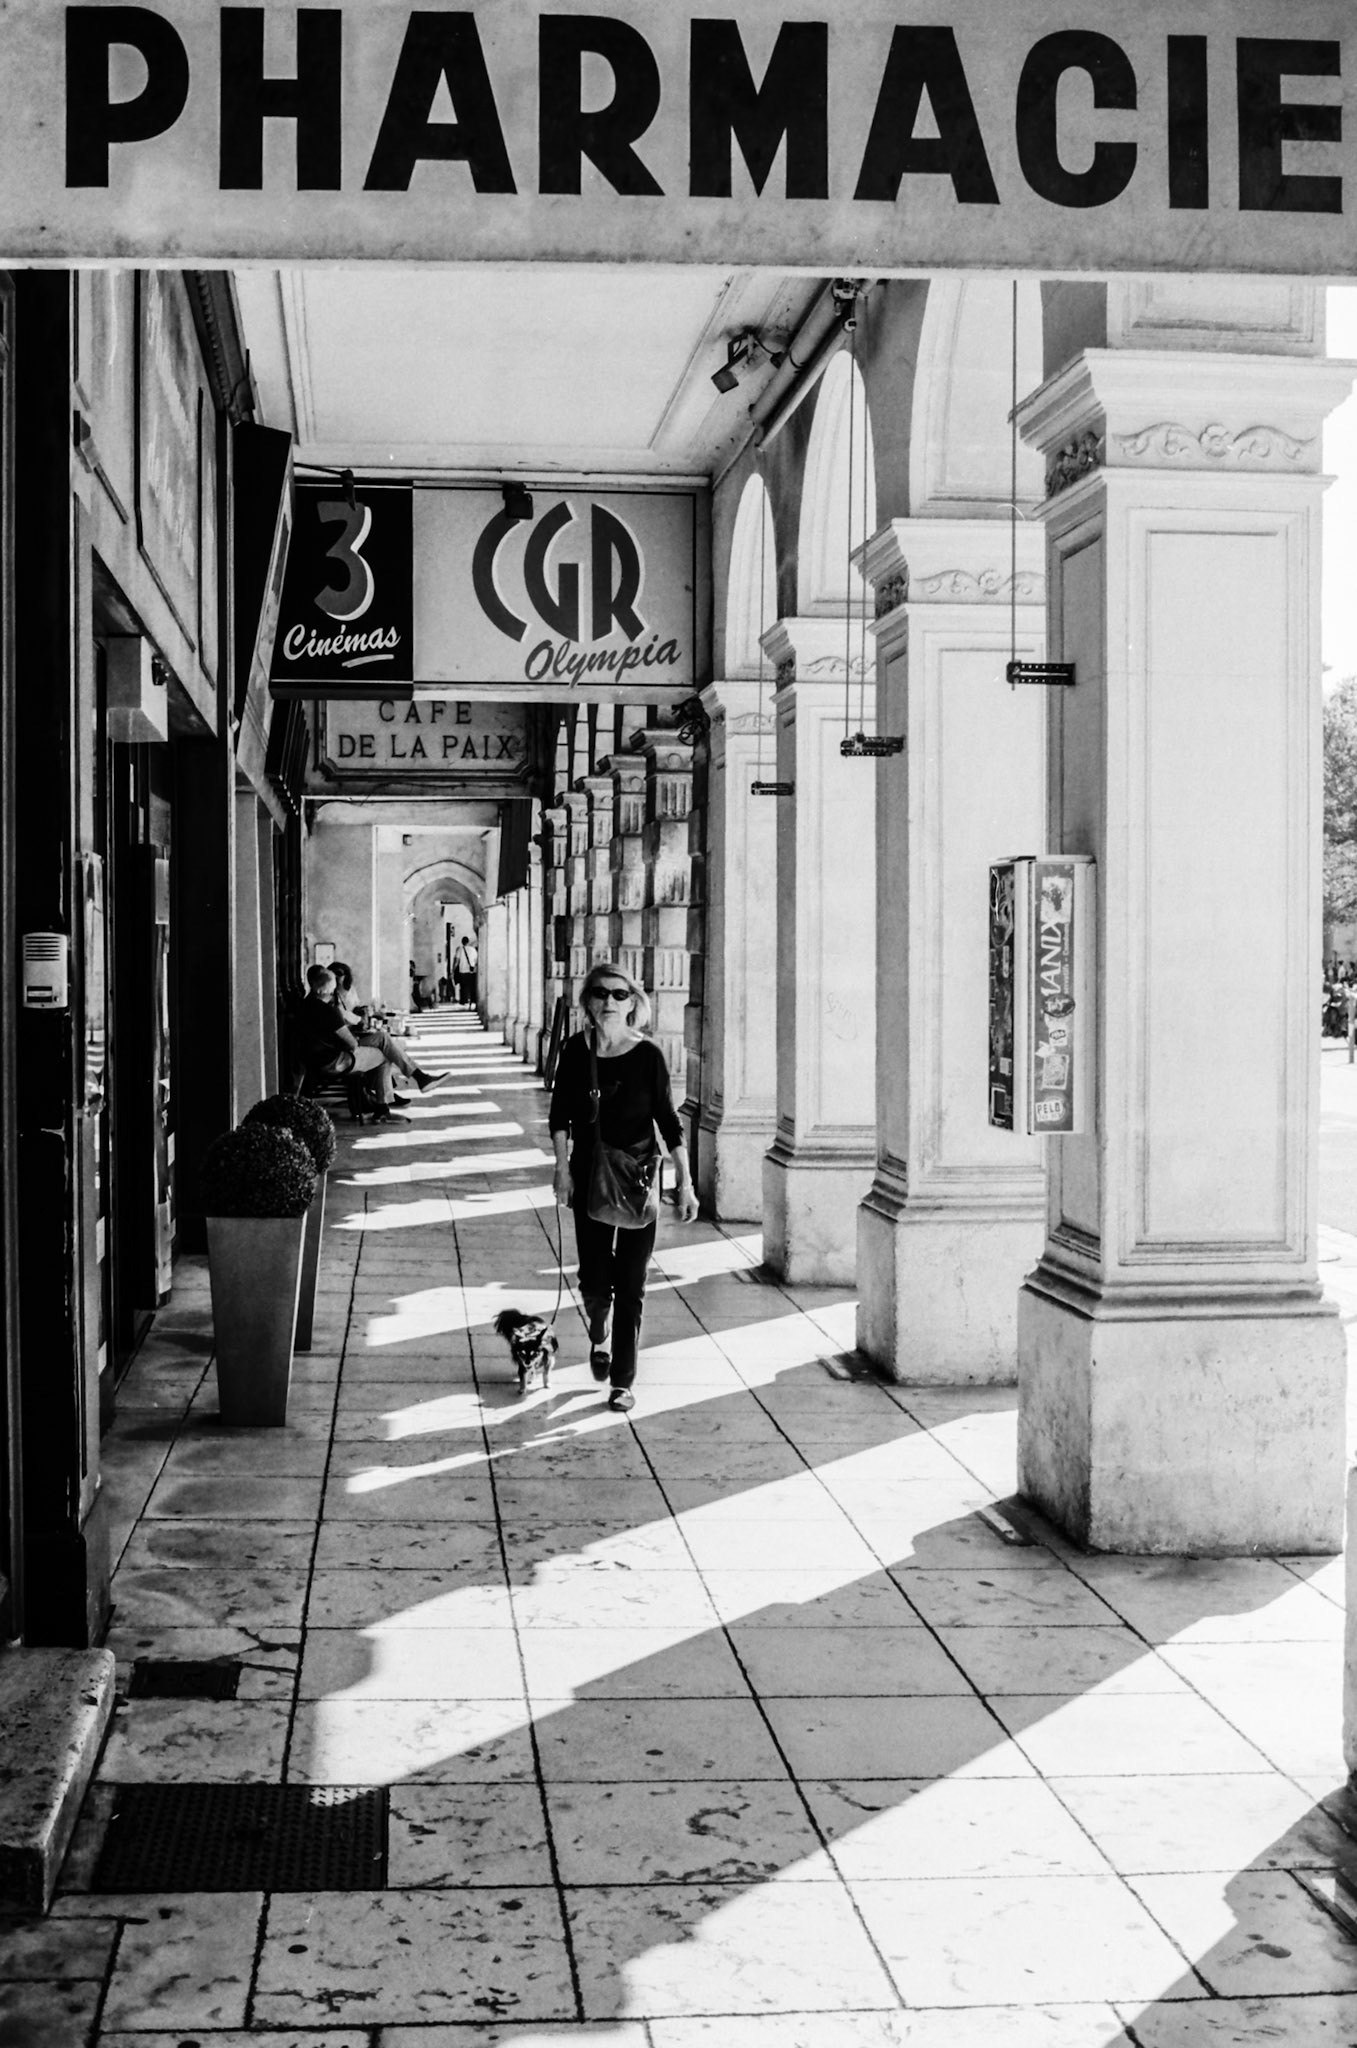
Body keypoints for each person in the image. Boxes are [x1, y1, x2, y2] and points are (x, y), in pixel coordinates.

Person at [548, 960, 699, 1412]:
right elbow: (560, 1116)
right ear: (586, 1001)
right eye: (600, 993)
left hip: (637, 1179)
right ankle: (599, 1326)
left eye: (619, 994)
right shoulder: (576, 1051)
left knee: (632, 1281)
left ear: (634, 1002)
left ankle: (622, 1380)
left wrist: (685, 1182)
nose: (609, 1001)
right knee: (595, 1278)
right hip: (590, 1175)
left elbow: (669, 1123)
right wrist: (561, 1168)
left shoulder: (649, 1055)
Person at [330, 959, 446, 1101]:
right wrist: (359, 1020)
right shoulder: (330, 1001)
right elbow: (342, 1017)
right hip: (343, 1045)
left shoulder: (343, 993)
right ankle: (408, 1084)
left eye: (340, 975)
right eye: (334, 976)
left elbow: (351, 1010)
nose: (337, 979)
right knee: (385, 1045)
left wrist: (361, 1014)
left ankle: (402, 1088)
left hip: (347, 1037)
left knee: (385, 1040)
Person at [453, 934, 478, 1008]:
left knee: (463, 986)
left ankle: (464, 1000)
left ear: (462, 942)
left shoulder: (460, 950)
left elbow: (457, 961)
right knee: (471, 986)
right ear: (468, 941)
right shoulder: (473, 950)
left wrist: (453, 970)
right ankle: (472, 1000)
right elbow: (476, 960)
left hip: (463, 971)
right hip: (471, 971)